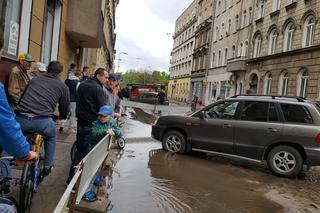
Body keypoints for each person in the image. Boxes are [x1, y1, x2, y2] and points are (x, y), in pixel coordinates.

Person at [15, 61, 70, 176]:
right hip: (42, 121)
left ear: (47, 69)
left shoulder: (34, 80)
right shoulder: (63, 86)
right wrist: (63, 117)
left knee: (16, 136)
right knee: (50, 137)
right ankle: (48, 165)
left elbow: (22, 97)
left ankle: (5, 176)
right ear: (60, 73)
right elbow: (64, 108)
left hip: (21, 118)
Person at [67, 68, 108, 183]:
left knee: (79, 152)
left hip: (81, 123)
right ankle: (77, 183)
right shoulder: (98, 88)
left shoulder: (83, 84)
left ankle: (71, 180)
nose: (107, 79)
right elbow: (103, 108)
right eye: (105, 77)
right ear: (98, 75)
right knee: (86, 155)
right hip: (91, 125)